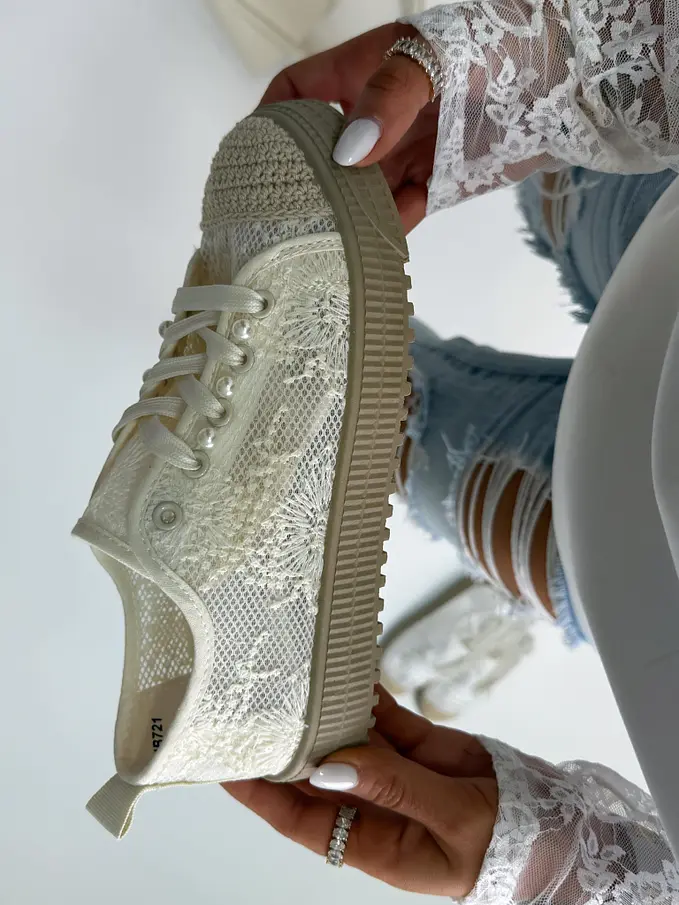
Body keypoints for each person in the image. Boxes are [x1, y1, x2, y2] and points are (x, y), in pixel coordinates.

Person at [222, 4, 679, 901]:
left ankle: (521, 596)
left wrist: (554, 864)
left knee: (360, 414)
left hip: (640, 591)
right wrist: (546, 59)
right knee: (548, 176)